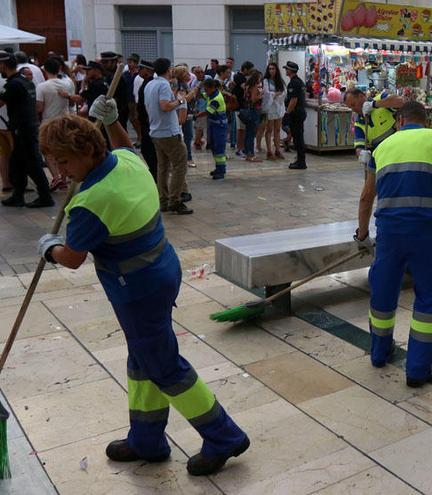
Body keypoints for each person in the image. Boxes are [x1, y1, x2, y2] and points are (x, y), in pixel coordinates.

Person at [37, 108, 249, 476]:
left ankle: (224, 435)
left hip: (136, 290)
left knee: (165, 366)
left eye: (65, 162)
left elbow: (72, 258)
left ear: (87, 152)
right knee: (142, 359)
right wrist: (115, 121)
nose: (62, 172)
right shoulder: (126, 161)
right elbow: (125, 145)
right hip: (163, 270)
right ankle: (147, 439)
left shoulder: (91, 202)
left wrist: (49, 248)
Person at [354, 101, 432, 387]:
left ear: (399, 122)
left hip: (388, 233)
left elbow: (366, 198)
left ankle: (379, 354)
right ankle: (417, 370)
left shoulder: (381, 148)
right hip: (424, 231)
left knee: (383, 291)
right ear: (425, 122)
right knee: (430, 292)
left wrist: (363, 235)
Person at [0, 52, 54, 207]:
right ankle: (18, 195)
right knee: (19, 163)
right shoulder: (25, 82)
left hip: (22, 130)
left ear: (3, 65)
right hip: (28, 127)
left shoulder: (13, 84)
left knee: (32, 164)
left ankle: (45, 196)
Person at [144, 57, 192, 215]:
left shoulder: (150, 84)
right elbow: (164, 106)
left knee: (163, 167)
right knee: (180, 165)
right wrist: (179, 101)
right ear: (167, 69)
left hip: (156, 131)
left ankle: (163, 200)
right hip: (169, 132)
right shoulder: (163, 84)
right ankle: (175, 200)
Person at [36, 57, 76, 191]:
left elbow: (39, 108)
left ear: (45, 69)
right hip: (64, 120)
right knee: (63, 150)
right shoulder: (67, 84)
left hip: (48, 122)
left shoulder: (42, 86)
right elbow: (71, 102)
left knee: (47, 152)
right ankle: (64, 178)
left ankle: (56, 178)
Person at [345, 88, 404, 169]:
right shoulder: (359, 124)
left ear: (361, 96)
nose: (353, 109)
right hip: (382, 159)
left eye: (353, 104)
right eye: (350, 107)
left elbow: (400, 102)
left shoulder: (381, 98)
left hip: (400, 152)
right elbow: (359, 146)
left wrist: (374, 104)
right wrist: (361, 154)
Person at [200, 79, 228, 180]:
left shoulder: (216, 98)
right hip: (213, 125)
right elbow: (202, 95)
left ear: (212, 88)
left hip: (219, 127)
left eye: (206, 89)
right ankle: (218, 167)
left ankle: (221, 171)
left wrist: (196, 116)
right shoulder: (211, 94)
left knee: (219, 148)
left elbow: (208, 112)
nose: (205, 91)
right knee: (214, 147)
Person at [136, 60, 158, 180]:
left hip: (149, 122)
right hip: (145, 121)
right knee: (146, 149)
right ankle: (155, 171)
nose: (139, 70)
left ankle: (155, 172)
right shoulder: (146, 83)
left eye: (141, 68)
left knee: (148, 149)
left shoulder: (150, 83)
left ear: (148, 70)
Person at [283, 61, 307, 170]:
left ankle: (301, 162)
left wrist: (287, 113)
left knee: (298, 139)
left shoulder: (293, 83)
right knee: (299, 137)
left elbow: (293, 100)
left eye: (287, 69)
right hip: (300, 112)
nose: (285, 71)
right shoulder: (299, 82)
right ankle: (300, 160)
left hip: (296, 113)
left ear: (291, 71)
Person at [100, 52, 131, 130]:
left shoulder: (119, 78)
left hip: (118, 113)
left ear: (114, 62)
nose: (104, 64)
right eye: (103, 62)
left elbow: (122, 99)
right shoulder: (106, 76)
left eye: (106, 62)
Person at [261, 62, 285, 161]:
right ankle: (269, 151)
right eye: (270, 69)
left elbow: (284, 92)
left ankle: (278, 150)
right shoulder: (266, 80)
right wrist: (275, 94)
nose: (272, 71)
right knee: (269, 129)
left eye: (273, 69)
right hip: (270, 107)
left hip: (279, 107)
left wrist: (277, 94)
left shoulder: (280, 80)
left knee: (278, 129)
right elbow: (266, 93)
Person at [239, 70, 263, 163]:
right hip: (253, 111)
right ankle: (250, 154)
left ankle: (247, 153)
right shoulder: (254, 87)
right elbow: (253, 99)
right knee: (251, 134)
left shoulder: (247, 86)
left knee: (248, 132)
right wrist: (260, 95)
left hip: (247, 110)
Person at [230, 61, 252, 156]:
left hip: (240, 107)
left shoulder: (237, 76)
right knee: (240, 129)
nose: (250, 72)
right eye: (249, 70)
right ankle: (239, 149)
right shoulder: (240, 77)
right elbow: (245, 89)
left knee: (242, 128)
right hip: (239, 107)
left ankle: (241, 148)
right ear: (246, 69)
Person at [124, 53, 142, 144]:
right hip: (127, 99)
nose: (129, 64)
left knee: (135, 119)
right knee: (130, 119)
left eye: (131, 62)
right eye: (128, 62)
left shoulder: (139, 74)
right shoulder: (125, 74)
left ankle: (140, 137)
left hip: (136, 100)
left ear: (136, 63)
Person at [191, 65, 207, 150]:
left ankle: (203, 141)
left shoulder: (208, 78)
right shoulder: (194, 83)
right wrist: (199, 87)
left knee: (207, 126)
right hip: (201, 106)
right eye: (198, 73)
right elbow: (194, 96)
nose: (200, 74)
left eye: (201, 72)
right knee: (199, 126)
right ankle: (197, 143)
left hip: (210, 105)